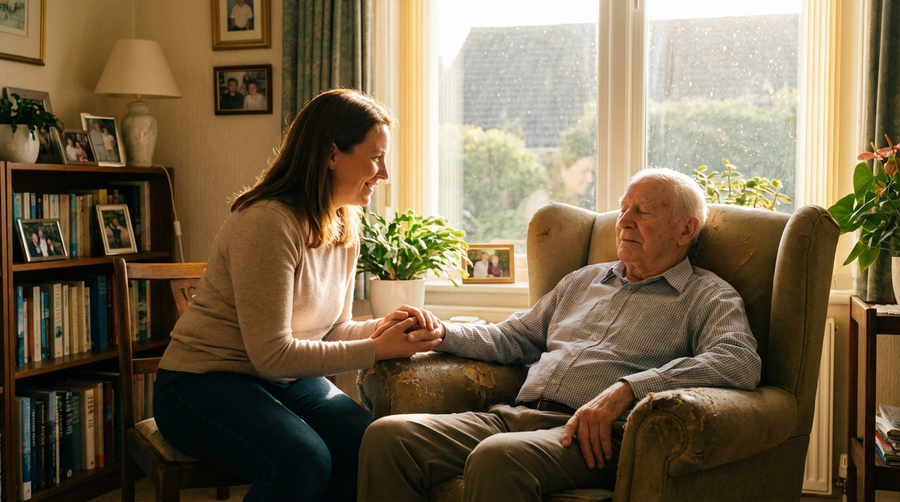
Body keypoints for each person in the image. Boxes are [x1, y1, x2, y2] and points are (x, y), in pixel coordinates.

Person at [358, 167, 762, 500]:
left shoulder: (707, 295)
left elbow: (739, 361)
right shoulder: (585, 280)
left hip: (591, 437)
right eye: (623, 210)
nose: (624, 222)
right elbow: (513, 337)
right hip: (514, 417)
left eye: (643, 212)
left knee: (498, 459)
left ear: (685, 229)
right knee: (387, 439)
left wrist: (629, 389)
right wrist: (441, 331)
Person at [153, 89, 442, 502]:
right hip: (199, 384)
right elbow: (271, 355)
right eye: (376, 157)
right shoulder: (267, 222)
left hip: (278, 380)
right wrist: (376, 349)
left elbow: (333, 328)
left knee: (367, 442)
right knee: (302, 460)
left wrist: (388, 329)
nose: (385, 174)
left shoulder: (344, 226)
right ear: (331, 155)